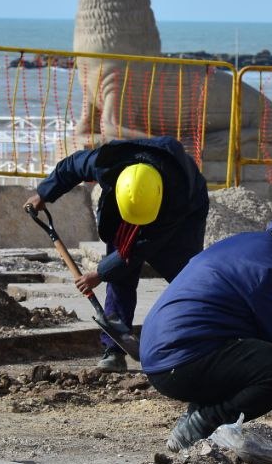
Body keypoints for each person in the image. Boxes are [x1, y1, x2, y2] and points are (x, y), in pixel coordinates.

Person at [139, 186, 272, 452]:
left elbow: (265, 326)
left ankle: (200, 414)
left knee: (271, 358)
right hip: (180, 359)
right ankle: (204, 423)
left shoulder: (257, 248)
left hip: (169, 353)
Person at [25, 136, 209, 372]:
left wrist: (100, 272)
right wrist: (44, 193)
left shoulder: (178, 196)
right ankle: (113, 350)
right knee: (120, 274)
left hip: (182, 218)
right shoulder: (107, 162)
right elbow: (71, 166)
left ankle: (203, 339)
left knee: (186, 276)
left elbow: (141, 246)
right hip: (122, 208)